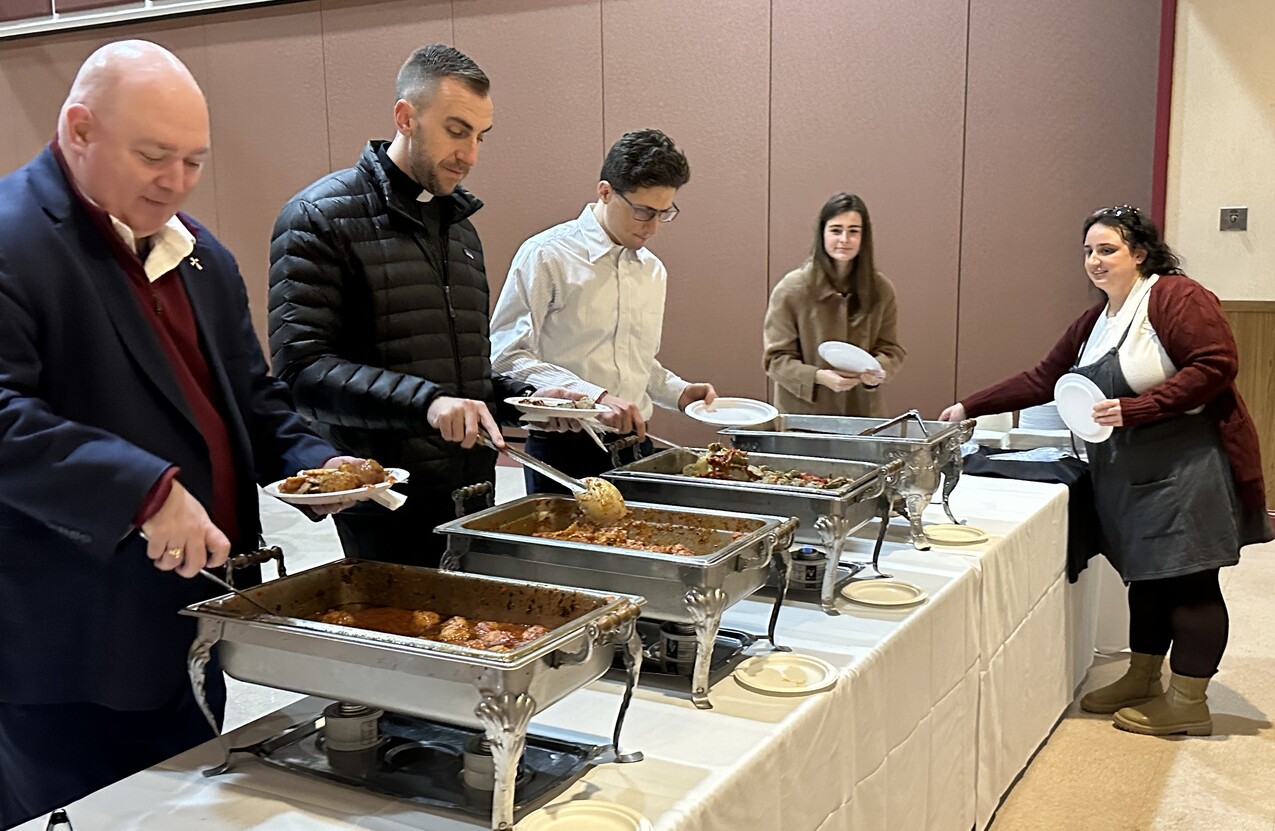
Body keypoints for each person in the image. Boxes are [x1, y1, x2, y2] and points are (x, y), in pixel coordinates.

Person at [0, 41, 355, 826]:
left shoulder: (199, 255)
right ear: (78, 129)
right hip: (66, 643)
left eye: (194, 160)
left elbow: (250, 395)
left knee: (184, 807)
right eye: (154, 155)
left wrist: (318, 462)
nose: (177, 180)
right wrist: (144, 490)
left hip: (192, 615)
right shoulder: (13, 236)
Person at [939, 205, 1271, 737]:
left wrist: (1137, 408)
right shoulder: (1095, 321)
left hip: (1185, 467)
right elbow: (1044, 378)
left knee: (1190, 580)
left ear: (1140, 253)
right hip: (1128, 472)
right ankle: (1143, 676)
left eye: (1107, 249)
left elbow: (1215, 364)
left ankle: (1189, 700)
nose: (1095, 260)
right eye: (1088, 251)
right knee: (1147, 576)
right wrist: (969, 406)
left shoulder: (1175, 296)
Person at [269, 45, 569, 565]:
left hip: (471, 491)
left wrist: (529, 402)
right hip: (383, 499)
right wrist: (426, 402)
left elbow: (460, 378)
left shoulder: (460, 230)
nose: (470, 155)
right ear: (406, 118)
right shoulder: (319, 217)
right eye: (456, 131)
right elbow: (302, 371)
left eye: (480, 136)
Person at [489, 129, 717, 493]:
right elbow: (506, 357)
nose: (653, 228)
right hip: (563, 448)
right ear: (606, 192)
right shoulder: (547, 254)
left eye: (664, 213)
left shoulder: (652, 270)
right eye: (643, 212)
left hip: (636, 447)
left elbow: (633, 362)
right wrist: (592, 397)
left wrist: (678, 392)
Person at [763, 192, 905, 417]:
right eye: (836, 230)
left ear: (864, 236)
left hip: (864, 415)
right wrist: (819, 377)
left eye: (853, 231)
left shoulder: (881, 289)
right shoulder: (791, 289)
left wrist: (878, 370)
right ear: (822, 233)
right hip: (804, 417)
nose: (844, 239)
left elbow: (891, 349)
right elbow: (775, 360)